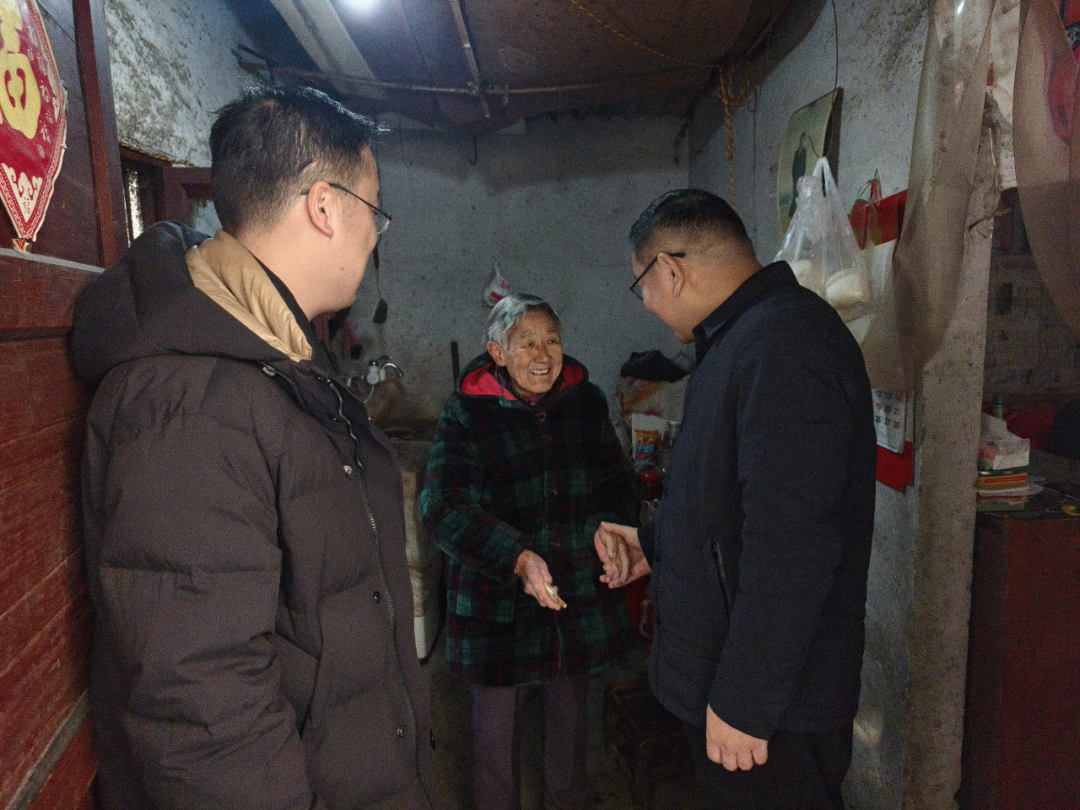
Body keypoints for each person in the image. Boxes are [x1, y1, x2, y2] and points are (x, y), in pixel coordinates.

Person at [71, 85, 441, 809]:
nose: (375, 235)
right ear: (326, 207)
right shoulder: (188, 402)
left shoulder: (275, 354)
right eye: (374, 210)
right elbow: (202, 712)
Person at [595, 190, 876, 809]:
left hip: (774, 710)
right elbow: (726, 504)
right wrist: (653, 546)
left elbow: (794, 542)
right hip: (743, 689)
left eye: (641, 286)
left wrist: (746, 701)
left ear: (670, 271)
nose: (646, 303)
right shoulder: (738, 340)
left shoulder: (786, 344)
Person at [419, 294, 639, 810]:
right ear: (497, 353)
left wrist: (612, 529)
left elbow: (616, 480)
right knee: (495, 745)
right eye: (527, 343)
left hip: (570, 595)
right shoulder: (467, 413)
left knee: (569, 733)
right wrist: (517, 557)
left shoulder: (586, 402)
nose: (543, 355)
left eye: (552, 340)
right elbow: (442, 505)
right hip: (496, 607)